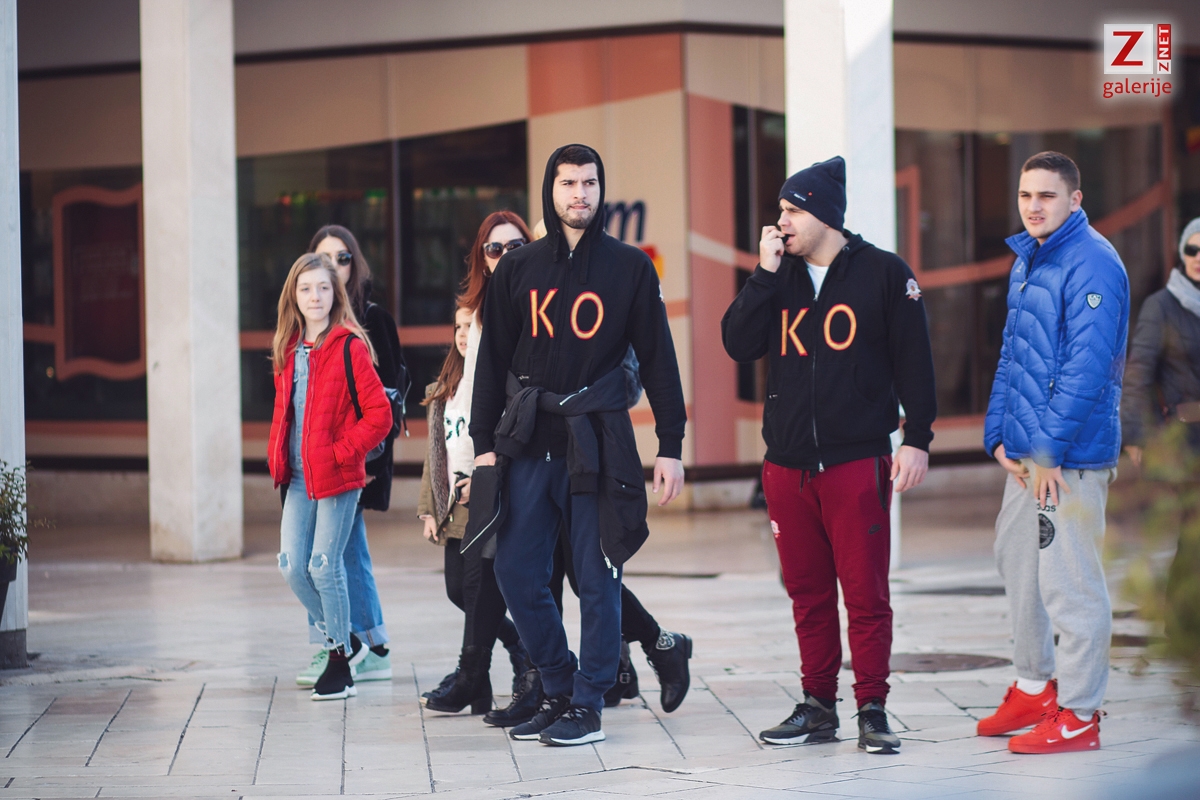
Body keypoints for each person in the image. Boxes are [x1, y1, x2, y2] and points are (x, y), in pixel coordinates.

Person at [470, 144, 687, 746]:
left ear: (600, 188)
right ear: (552, 189)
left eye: (589, 183)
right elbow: (492, 362)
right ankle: (558, 684)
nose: (579, 194)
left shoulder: (630, 267)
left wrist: (670, 444)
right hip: (529, 440)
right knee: (514, 569)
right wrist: (485, 443)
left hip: (599, 442)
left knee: (596, 577)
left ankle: (588, 702)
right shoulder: (518, 269)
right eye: (568, 183)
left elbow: (660, 360)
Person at [721, 155, 936, 754]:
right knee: (807, 594)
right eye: (780, 210)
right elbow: (736, 342)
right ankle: (818, 706)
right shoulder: (778, 277)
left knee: (865, 594)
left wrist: (917, 438)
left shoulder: (885, 274)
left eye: (792, 210)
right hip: (786, 465)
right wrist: (763, 275)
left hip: (855, 462)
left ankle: (872, 708)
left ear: (823, 214)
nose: (781, 221)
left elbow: (915, 362)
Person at [978, 151, 1129, 754]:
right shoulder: (1030, 259)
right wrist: (998, 434)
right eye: (1026, 195)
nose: (1034, 206)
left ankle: (1081, 714)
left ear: (1075, 199)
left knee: (1071, 582)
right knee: (1018, 563)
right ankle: (1034, 687)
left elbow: (1086, 369)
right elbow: (1014, 356)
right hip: (1028, 455)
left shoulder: (1093, 261)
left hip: (1069, 459)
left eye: (1047, 195)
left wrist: (1046, 451)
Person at [268, 252, 393, 700]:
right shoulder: (288, 350)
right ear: (294, 296)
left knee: (324, 565)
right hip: (299, 478)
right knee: (291, 565)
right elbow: (286, 415)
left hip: (338, 475)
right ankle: (347, 640)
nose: (315, 296)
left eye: (323, 287)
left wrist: (343, 452)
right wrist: (278, 458)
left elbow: (380, 416)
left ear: (335, 294)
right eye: (305, 289)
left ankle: (340, 664)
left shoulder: (349, 346)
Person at [291, 225, 404, 688]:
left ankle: (350, 645)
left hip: (357, 460)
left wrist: (365, 458)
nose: (334, 266)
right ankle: (368, 645)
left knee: (335, 555)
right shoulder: (306, 323)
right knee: (333, 553)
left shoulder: (372, 320)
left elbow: (389, 398)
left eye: (342, 258)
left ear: (355, 264)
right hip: (311, 464)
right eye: (325, 258)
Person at [1120, 217, 1200, 671]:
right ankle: (1182, 623)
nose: (1199, 258)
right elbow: (1138, 373)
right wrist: (1135, 434)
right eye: (1192, 249)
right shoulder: (1162, 306)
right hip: (1183, 438)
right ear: (1181, 254)